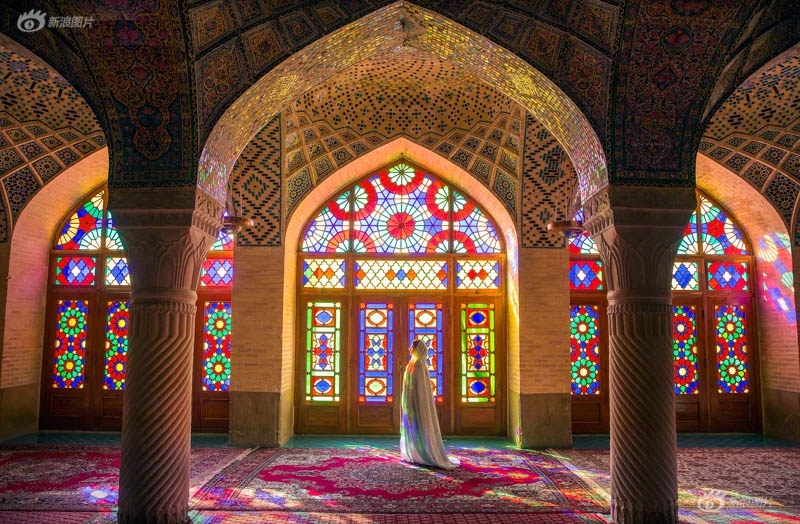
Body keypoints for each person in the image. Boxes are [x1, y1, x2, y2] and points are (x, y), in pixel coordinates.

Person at [400, 339, 459, 469]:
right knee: (412, 426)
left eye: (412, 346)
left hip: (417, 402)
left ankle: (424, 454)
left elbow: (420, 390)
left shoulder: (419, 366)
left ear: (417, 349)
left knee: (420, 426)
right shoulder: (413, 364)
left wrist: (415, 404)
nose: (409, 348)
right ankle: (415, 453)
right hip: (410, 401)